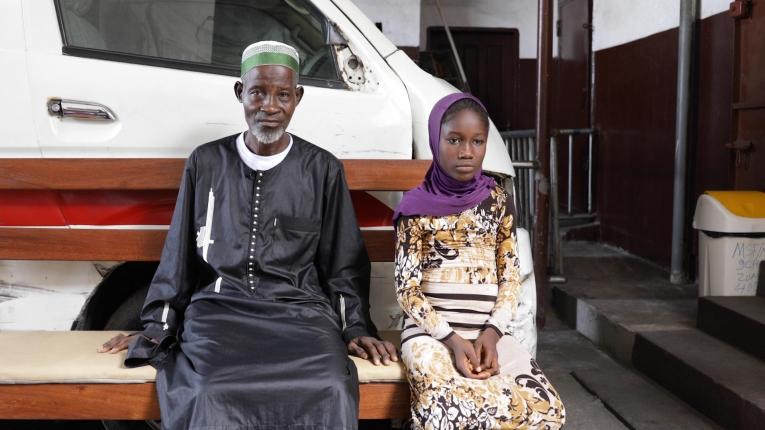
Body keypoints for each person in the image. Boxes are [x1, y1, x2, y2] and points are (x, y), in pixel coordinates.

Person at [98, 40, 397, 430]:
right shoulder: (205, 162)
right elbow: (179, 255)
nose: (270, 106)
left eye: (283, 95)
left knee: (329, 385)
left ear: (298, 98)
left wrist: (355, 326)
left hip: (301, 315)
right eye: (258, 92)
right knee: (205, 388)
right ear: (240, 93)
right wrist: (159, 324)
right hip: (220, 313)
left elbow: (343, 264)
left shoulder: (323, 169)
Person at [393, 93, 566, 429]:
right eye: (454, 140)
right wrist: (453, 341)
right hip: (432, 337)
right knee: (452, 411)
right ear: (435, 140)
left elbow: (510, 278)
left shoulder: (497, 202)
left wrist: (492, 333)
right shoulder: (415, 207)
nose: (466, 152)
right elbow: (407, 290)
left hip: (489, 337)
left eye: (477, 141)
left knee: (547, 410)